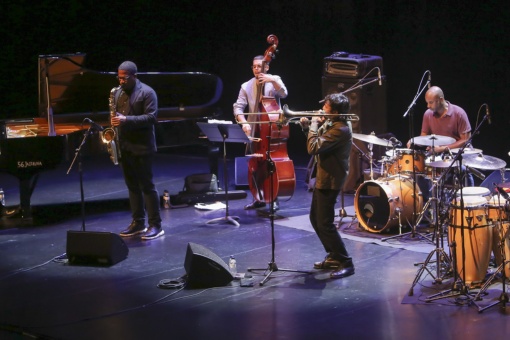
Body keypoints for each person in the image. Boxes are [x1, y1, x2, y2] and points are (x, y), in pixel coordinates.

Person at [298, 93, 355, 279]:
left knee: (325, 223)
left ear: (336, 112)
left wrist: (314, 124)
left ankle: (346, 261)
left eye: (327, 107)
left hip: (331, 179)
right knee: (315, 219)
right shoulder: (332, 123)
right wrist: (307, 128)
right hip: (323, 177)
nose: (322, 109)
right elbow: (316, 143)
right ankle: (333, 255)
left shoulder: (341, 129)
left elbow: (313, 148)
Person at [112, 61, 164, 240]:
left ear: (134, 76)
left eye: (124, 78)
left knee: (147, 186)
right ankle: (138, 222)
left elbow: (151, 117)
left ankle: (155, 225)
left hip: (142, 146)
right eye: (119, 78)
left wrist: (126, 120)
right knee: (132, 186)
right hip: (125, 145)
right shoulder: (117, 93)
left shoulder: (148, 92)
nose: (121, 82)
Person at [233, 55, 288, 210]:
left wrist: (272, 80)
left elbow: (284, 94)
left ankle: (274, 197)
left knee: (272, 164)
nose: (257, 69)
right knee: (255, 166)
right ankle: (258, 197)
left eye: (260, 66)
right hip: (255, 130)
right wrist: (244, 123)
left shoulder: (274, 79)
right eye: (254, 67)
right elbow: (238, 107)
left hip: (272, 130)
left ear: (267, 68)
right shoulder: (246, 86)